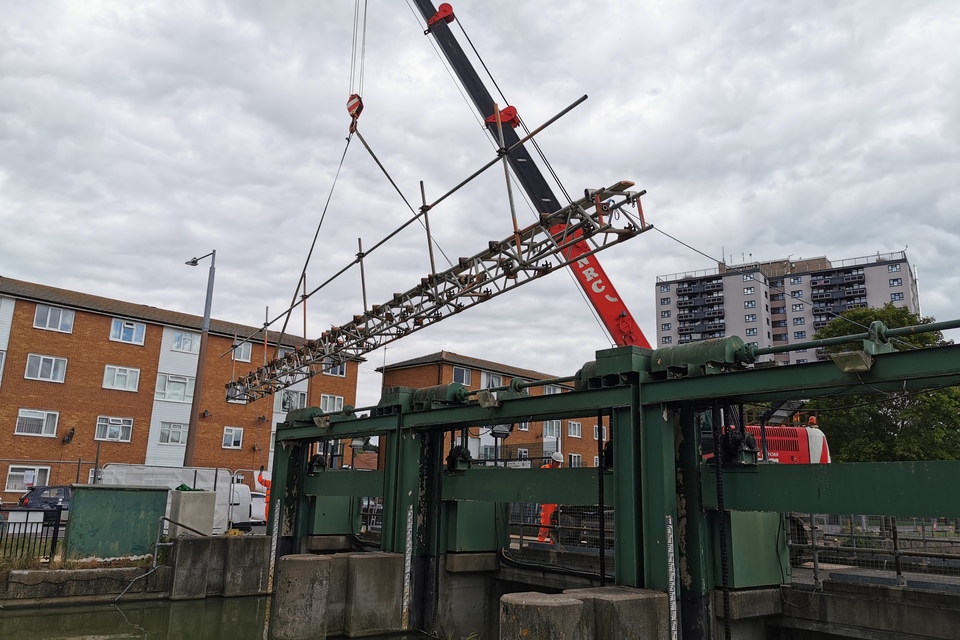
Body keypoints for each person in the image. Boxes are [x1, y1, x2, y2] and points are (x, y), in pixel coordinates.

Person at [538, 451, 563, 543]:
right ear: (552, 460)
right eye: (557, 462)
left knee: (555, 521)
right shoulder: (544, 468)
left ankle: (553, 541)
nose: (558, 464)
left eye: (559, 462)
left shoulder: (559, 470)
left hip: (556, 498)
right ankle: (541, 541)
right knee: (545, 521)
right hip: (548, 499)